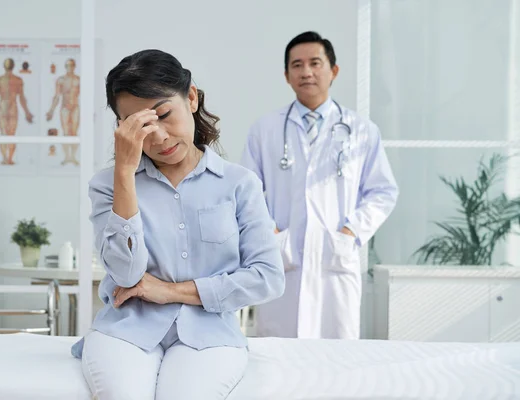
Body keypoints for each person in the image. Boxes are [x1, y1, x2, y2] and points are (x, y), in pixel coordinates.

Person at [70, 49, 285, 400]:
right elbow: (125, 275)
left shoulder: (238, 184)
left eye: (164, 115)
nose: (158, 138)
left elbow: (267, 277)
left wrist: (169, 291)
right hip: (126, 330)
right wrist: (125, 172)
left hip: (211, 333)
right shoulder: (107, 185)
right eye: (139, 126)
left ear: (191, 97)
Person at [240, 31, 398, 340]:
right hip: (283, 260)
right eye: (297, 65)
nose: (306, 72)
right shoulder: (265, 129)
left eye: (315, 63)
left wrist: (351, 233)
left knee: (337, 356)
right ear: (287, 75)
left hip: (335, 260)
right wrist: (271, 235)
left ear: (333, 71)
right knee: (280, 355)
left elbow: (383, 191)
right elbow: (246, 193)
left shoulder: (362, 131)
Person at [0, 58, 34, 165]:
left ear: (4, 66)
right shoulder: (18, 80)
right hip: (12, 107)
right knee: (11, 135)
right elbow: (21, 98)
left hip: (3, 106)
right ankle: (9, 159)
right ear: (13, 66)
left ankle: (5, 158)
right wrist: (27, 112)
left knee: (3, 134)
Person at [46, 58, 80, 166]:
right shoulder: (61, 80)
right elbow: (56, 96)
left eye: (72, 65)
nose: (70, 67)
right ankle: (67, 157)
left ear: (74, 66)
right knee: (66, 132)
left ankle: (73, 157)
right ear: (66, 67)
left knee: (74, 132)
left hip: (75, 107)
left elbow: (85, 95)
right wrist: (51, 111)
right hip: (64, 107)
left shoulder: (78, 79)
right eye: (68, 65)